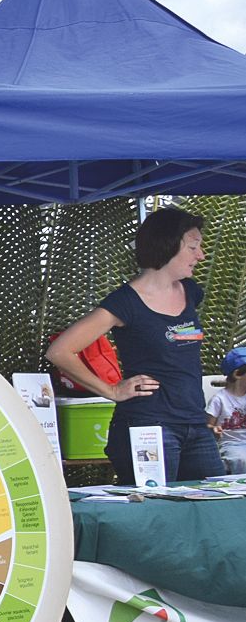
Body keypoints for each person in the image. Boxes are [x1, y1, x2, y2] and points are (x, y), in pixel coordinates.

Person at [48, 207, 222, 486]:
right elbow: (60, 351)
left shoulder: (191, 292)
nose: (200, 255)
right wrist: (112, 390)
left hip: (195, 426)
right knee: (155, 513)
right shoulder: (125, 302)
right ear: (167, 246)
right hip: (147, 426)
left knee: (215, 508)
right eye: (193, 247)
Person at [207, 348, 246, 474]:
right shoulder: (219, 399)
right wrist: (213, 429)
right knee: (241, 459)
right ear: (237, 374)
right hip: (231, 444)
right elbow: (208, 424)